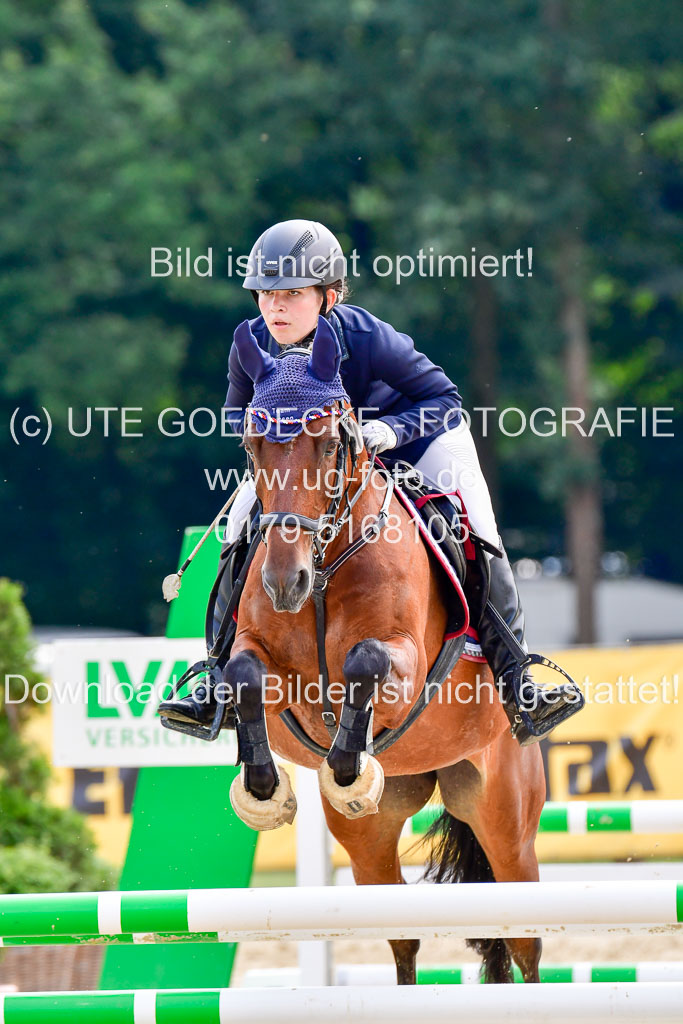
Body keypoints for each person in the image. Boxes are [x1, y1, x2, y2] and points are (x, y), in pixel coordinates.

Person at [160, 219, 583, 744]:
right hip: (310, 462)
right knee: (238, 529)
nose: (275, 308)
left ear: (329, 296)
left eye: (292, 294)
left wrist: (388, 429)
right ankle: (216, 677)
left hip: (415, 439)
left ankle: (519, 680)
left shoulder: (365, 337)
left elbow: (444, 398)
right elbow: (233, 414)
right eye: (266, 294)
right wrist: (272, 434)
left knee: (477, 526)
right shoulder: (250, 342)